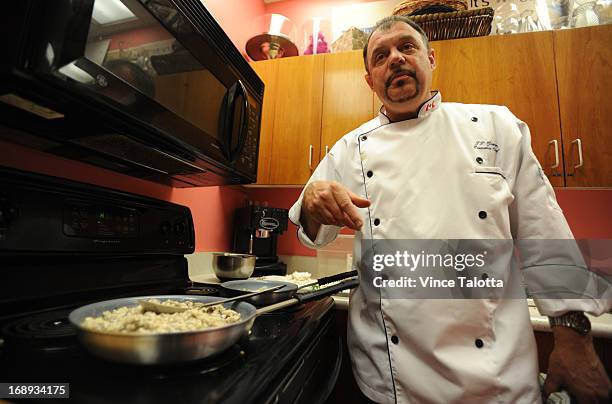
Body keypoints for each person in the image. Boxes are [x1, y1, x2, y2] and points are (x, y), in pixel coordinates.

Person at [289, 15, 611, 404]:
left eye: (407, 47)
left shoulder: (496, 127)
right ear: (370, 81)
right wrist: (311, 203)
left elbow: (544, 232)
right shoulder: (347, 149)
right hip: (390, 380)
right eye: (380, 55)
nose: (395, 58)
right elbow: (311, 232)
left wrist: (574, 339)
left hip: (498, 376)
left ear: (431, 58)